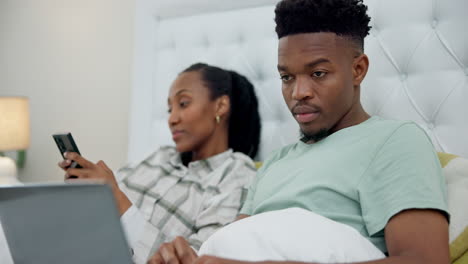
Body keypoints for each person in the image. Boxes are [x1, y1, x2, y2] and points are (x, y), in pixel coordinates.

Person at [146, 0, 450, 264]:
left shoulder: (396, 141)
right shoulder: (274, 164)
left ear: (358, 70)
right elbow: (234, 244)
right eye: (287, 77)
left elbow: (424, 260)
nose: (299, 92)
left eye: (318, 73)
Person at [58, 63, 261, 263]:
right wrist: (90, 194)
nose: (172, 119)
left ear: (220, 106)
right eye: (169, 109)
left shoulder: (237, 175)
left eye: (183, 103)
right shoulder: (157, 157)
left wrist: (116, 199)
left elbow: (196, 260)